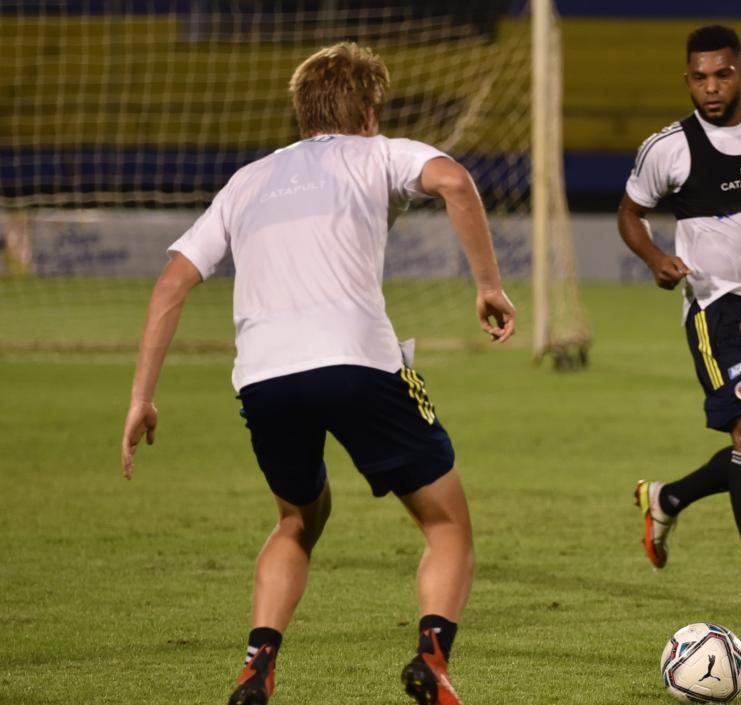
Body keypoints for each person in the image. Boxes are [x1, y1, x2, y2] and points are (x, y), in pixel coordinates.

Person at [119, 42, 515, 705]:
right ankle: (431, 659)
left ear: (301, 111)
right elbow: (453, 181)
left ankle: (257, 663)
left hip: (265, 378)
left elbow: (170, 284)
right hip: (361, 362)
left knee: (297, 520)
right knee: (447, 524)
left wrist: (141, 397)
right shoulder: (379, 151)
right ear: (368, 110)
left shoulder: (247, 180)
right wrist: (488, 285)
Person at [618, 25, 741, 611]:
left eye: (722, 74)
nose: (711, 87)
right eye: (700, 77)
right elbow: (630, 213)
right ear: (687, 79)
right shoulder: (669, 148)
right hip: (715, 305)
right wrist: (655, 257)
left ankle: (668, 499)